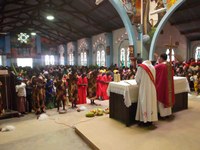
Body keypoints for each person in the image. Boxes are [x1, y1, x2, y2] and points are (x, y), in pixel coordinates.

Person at [135, 60, 158, 126]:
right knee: (151, 103)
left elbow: (137, 79)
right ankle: (150, 120)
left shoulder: (141, 67)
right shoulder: (153, 67)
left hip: (144, 88)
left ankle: (143, 120)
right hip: (152, 88)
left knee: (144, 102)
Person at [155, 53, 175, 118]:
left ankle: (163, 115)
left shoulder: (160, 66)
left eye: (159, 58)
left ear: (161, 58)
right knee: (167, 98)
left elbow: (153, 70)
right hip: (168, 86)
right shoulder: (169, 65)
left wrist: (156, 62)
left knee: (161, 99)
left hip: (162, 86)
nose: (158, 59)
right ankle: (168, 114)